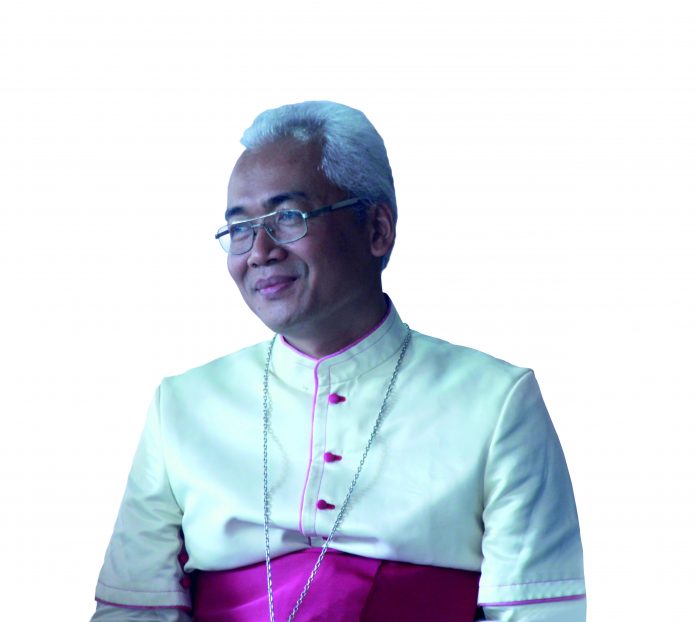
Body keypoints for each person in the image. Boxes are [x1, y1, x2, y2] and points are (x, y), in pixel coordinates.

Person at [91, 101, 586, 621]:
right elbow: (134, 610)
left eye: (288, 217)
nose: (259, 250)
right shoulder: (181, 406)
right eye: (239, 228)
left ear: (377, 229)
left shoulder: (496, 402)